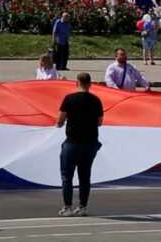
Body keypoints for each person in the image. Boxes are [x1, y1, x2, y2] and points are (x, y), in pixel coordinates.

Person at [56, 72, 103, 217]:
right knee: (85, 176)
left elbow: (60, 121)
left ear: (77, 83)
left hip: (72, 142)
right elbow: (99, 122)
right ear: (90, 84)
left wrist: (62, 123)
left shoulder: (69, 98)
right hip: (89, 143)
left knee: (67, 176)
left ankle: (67, 207)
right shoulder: (96, 100)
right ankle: (82, 207)